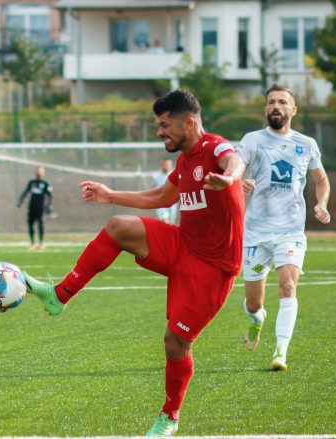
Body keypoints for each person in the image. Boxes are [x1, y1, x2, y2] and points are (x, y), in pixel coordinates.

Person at [23, 89, 246, 436]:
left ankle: (169, 417)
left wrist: (230, 178)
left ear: (189, 122)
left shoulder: (214, 147)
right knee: (118, 226)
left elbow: (234, 159)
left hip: (213, 267)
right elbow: (160, 196)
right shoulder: (185, 160)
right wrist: (110, 195)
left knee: (175, 342)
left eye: (164, 125)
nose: (159, 133)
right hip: (183, 244)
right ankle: (60, 295)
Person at [237, 84, 330, 372]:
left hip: (289, 232)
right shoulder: (252, 140)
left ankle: (280, 352)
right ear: (266, 109)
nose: (275, 106)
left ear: (293, 110)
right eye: (271, 102)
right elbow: (235, 170)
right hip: (254, 233)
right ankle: (256, 319)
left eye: (281, 102)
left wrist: (322, 204)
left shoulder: (307, 144)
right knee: (254, 303)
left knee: (288, 286)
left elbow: (322, 181)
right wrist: (240, 182)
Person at [17, 166, 53, 250]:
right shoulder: (31, 182)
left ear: (44, 173)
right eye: (38, 170)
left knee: (40, 224)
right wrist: (21, 200)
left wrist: (49, 205)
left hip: (40, 207)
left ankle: (41, 243)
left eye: (41, 171)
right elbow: (26, 192)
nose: (39, 172)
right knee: (30, 224)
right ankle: (32, 243)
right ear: (35, 172)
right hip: (32, 206)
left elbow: (50, 196)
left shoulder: (45, 184)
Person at [152, 159, 177, 224]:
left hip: (172, 203)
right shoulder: (155, 176)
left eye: (168, 164)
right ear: (161, 165)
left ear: (171, 165)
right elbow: (152, 188)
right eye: (164, 164)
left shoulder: (174, 175)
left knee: (172, 224)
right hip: (161, 202)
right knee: (165, 221)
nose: (166, 166)